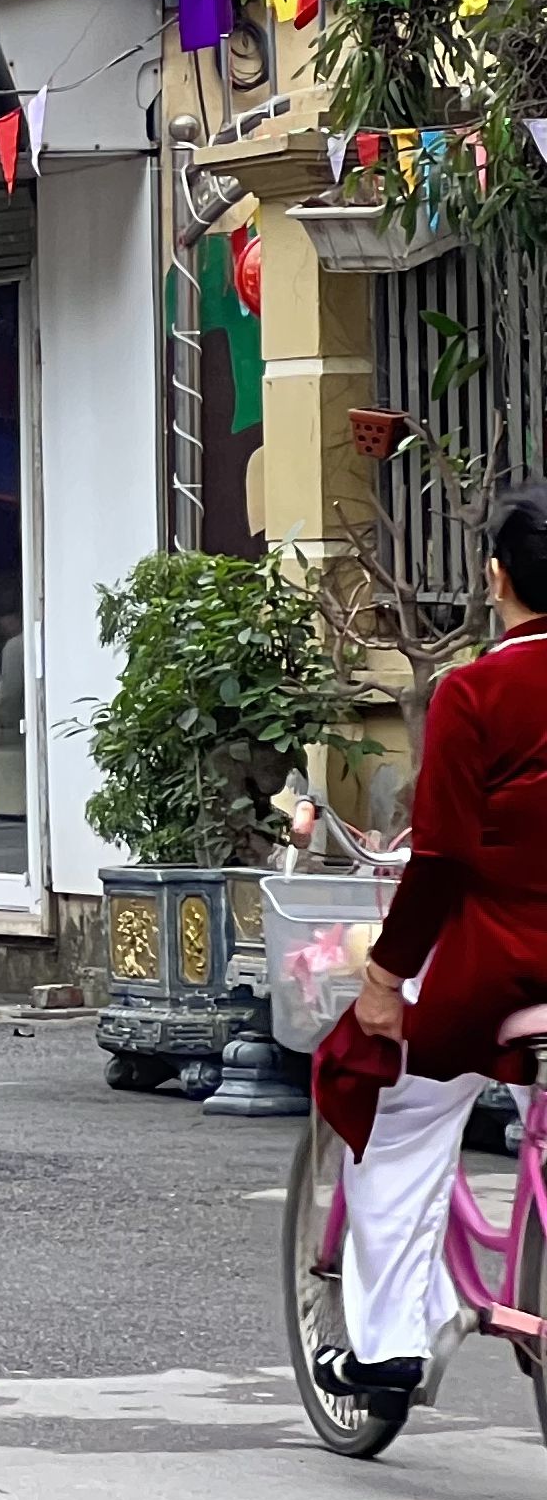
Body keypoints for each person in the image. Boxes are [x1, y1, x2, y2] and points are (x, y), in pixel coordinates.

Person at [319, 487, 547, 1420]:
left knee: (395, 1107)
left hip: (501, 965)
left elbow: (442, 857)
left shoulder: (475, 691)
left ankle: (386, 1349)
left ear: (496, 577)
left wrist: (382, 977)